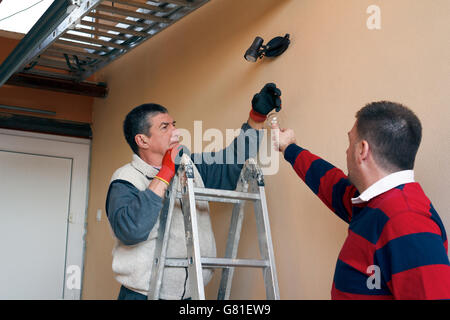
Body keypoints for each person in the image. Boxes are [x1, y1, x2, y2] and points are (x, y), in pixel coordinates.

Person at [105, 83, 282, 300]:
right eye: (164, 127)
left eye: (174, 125)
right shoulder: (125, 179)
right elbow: (131, 229)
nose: (176, 132)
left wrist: (256, 118)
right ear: (142, 140)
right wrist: (166, 172)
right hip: (143, 296)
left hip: (189, 295)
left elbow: (231, 165)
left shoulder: (190, 168)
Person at [275, 101, 450, 299]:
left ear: (362, 150)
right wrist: (289, 148)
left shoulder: (408, 221)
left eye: (350, 143)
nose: (347, 151)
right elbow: (330, 183)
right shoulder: (376, 204)